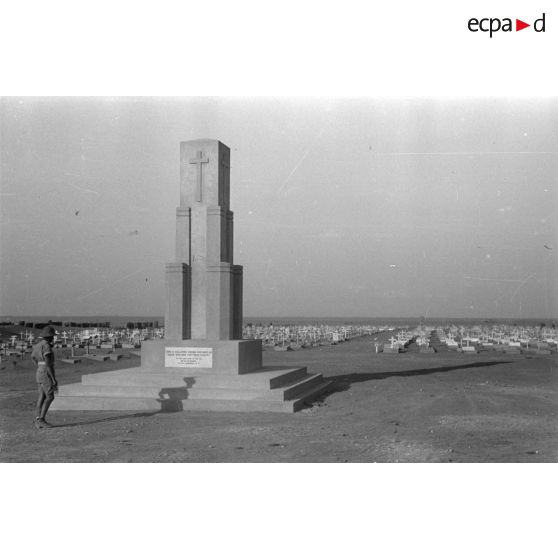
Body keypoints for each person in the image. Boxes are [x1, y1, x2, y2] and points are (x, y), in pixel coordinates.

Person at [31, 325, 58, 428]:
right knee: (50, 396)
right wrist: (53, 379)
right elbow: (48, 365)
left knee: (42, 396)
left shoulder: (38, 345)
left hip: (39, 371)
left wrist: (39, 365)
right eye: (52, 336)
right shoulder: (46, 346)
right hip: (45, 373)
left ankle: (37, 419)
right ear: (50, 336)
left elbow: (33, 357)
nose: (53, 338)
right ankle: (41, 419)